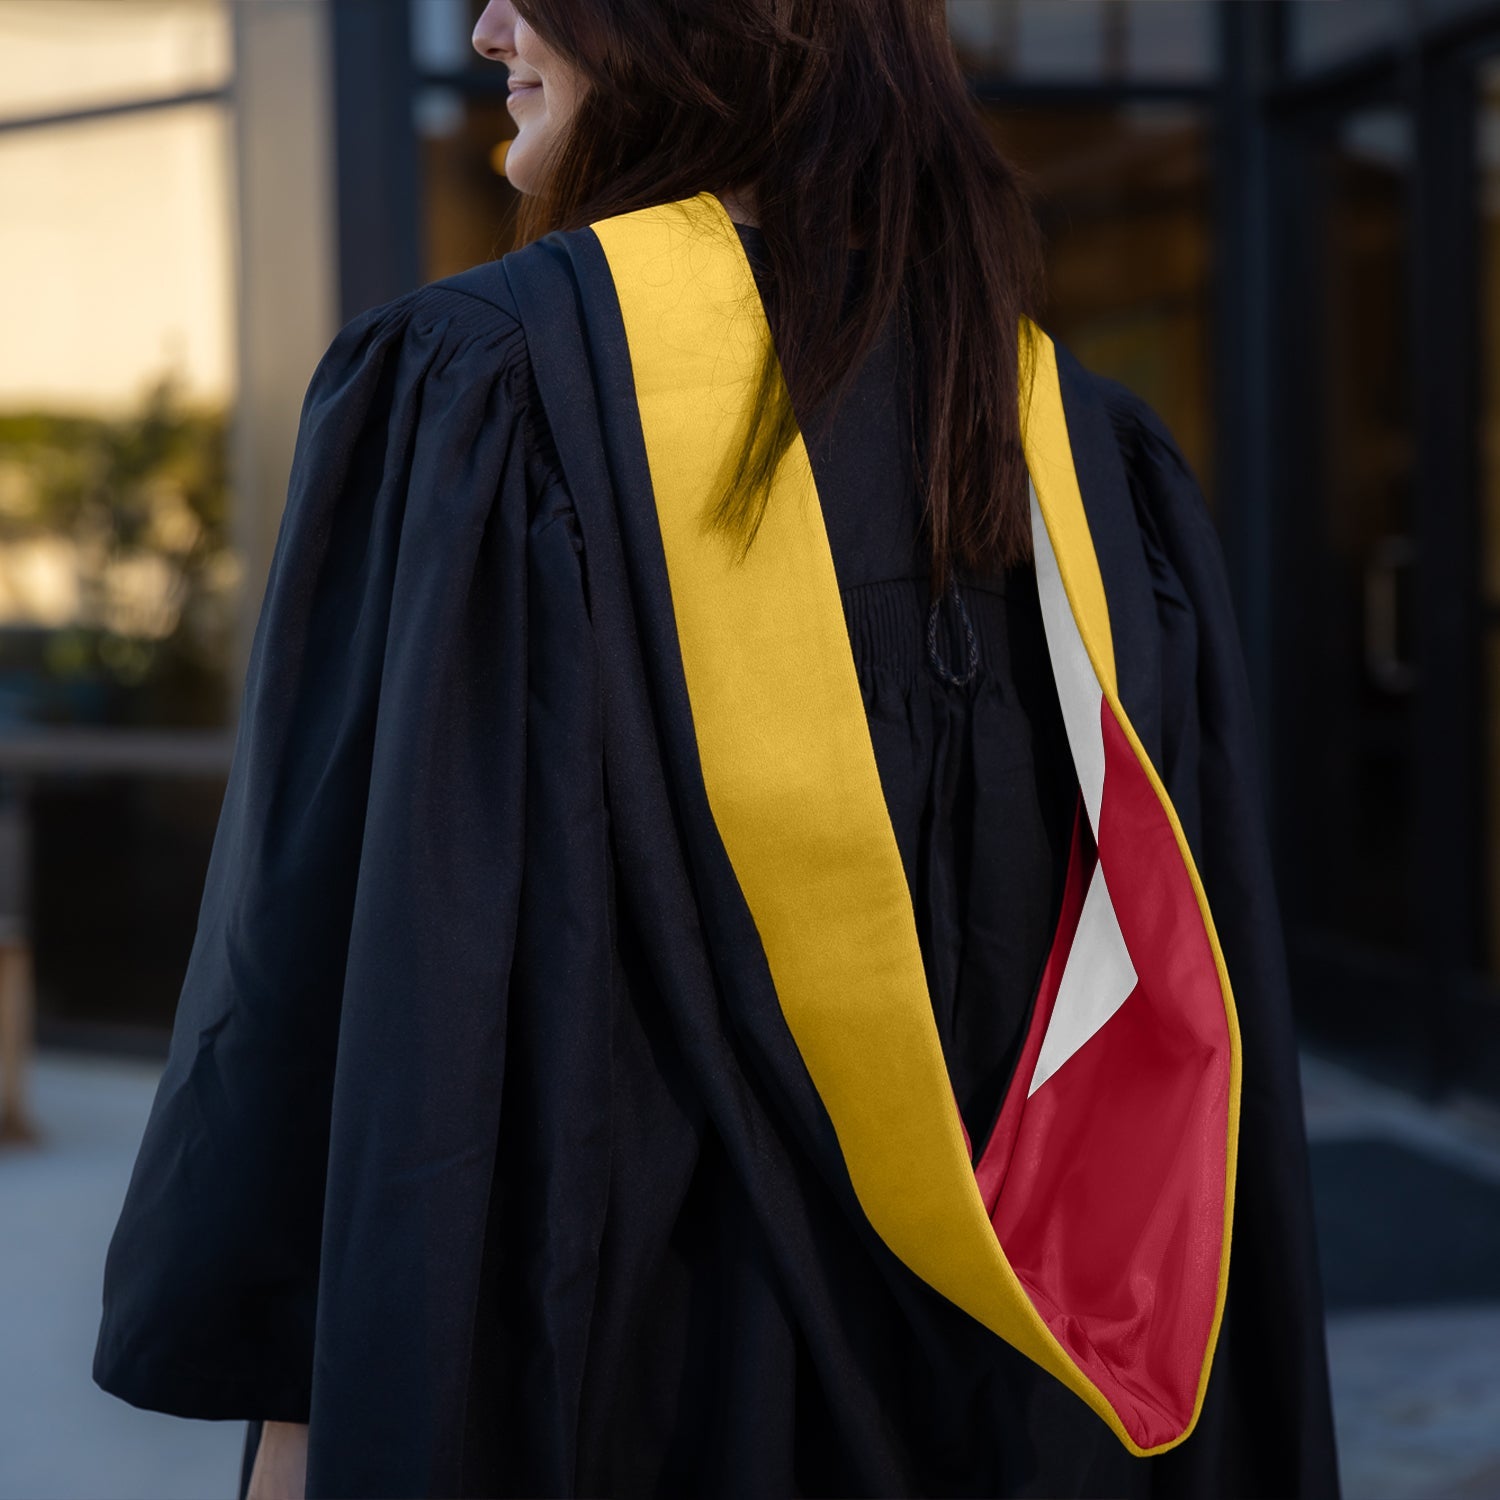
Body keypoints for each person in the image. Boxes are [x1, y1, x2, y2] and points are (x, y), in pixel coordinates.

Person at [92, 3, 1341, 1497]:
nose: (489, 24)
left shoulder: (483, 396)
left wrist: (295, 1440)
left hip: (620, 1397)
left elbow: (328, 1013)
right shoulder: (1081, 458)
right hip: (1025, 1420)